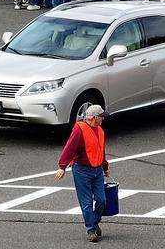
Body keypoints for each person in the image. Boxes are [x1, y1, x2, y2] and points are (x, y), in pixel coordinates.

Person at [55, 104, 109, 243]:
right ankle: (91, 230)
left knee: (102, 200)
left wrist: (105, 167)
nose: (103, 119)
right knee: (86, 203)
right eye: (101, 117)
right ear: (95, 118)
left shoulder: (100, 130)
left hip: (97, 170)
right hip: (82, 171)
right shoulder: (79, 130)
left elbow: (101, 150)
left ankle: (95, 221)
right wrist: (62, 166)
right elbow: (69, 148)